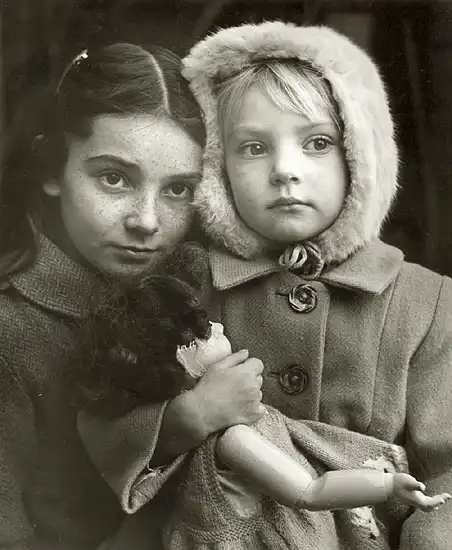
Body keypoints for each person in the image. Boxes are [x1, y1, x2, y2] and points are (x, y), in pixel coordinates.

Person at [77, 22, 452, 550]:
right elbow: (104, 413)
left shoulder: (427, 303)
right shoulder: (183, 283)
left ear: (362, 155)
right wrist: (185, 419)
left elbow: (445, 476)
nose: (284, 171)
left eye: (318, 143)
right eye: (253, 147)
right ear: (217, 168)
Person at [0, 41, 253, 550]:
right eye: (114, 179)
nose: (147, 221)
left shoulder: (209, 289)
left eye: (178, 189)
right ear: (51, 169)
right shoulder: (12, 329)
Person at [76, 241, 449, 550]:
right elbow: (311, 491)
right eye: (205, 333)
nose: (218, 324)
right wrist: (387, 485)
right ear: (184, 358)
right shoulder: (235, 437)